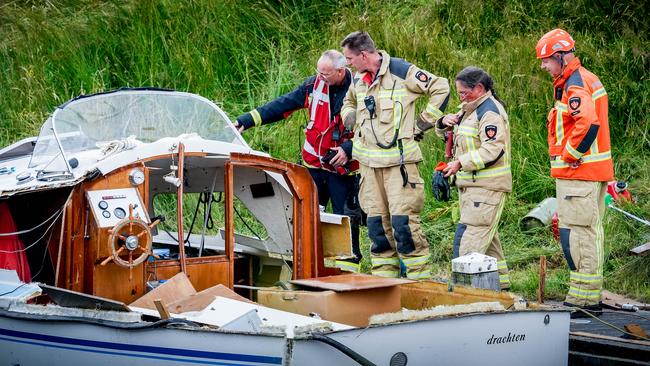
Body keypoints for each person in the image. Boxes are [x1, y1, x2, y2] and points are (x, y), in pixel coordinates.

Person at [234, 50, 364, 271]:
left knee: (346, 223)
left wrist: (348, 149)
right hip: (314, 167)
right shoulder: (313, 86)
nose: (319, 78)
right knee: (308, 219)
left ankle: (349, 273)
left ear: (341, 71)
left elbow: (375, 129)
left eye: (325, 74)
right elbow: (282, 105)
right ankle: (310, 268)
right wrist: (246, 120)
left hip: (344, 171)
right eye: (318, 72)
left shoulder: (361, 90)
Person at [339, 31, 450, 279]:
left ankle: (419, 284)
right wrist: (350, 116)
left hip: (399, 167)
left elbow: (440, 86)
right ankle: (384, 284)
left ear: (364, 55)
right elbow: (349, 102)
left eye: (349, 58)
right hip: (368, 167)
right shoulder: (358, 78)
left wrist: (423, 123)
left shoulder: (401, 71)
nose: (347, 64)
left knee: (404, 227)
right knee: (377, 229)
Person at [536, 29, 614, 311]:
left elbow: (588, 123)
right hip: (585, 174)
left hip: (579, 174)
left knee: (579, 234)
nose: (544, 66)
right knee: (584, 233)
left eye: (545, 60)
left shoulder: (575, 83)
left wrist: (570, 155)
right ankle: (585, 296)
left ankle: (584, 300)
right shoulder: (577, 80)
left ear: (559, 56)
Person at [437, 66, 512, 290]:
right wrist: (442, 123)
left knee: (468, 244)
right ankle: (503, 288)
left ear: (479, 88)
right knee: (489, 245)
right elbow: (453, 138)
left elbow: (493, 149)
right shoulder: (469, 109)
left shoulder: (489, 112)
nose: (460, 97)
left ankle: (465, 293)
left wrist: (461, 163)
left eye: (463, 93)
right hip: (471, 186)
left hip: (487, 187)